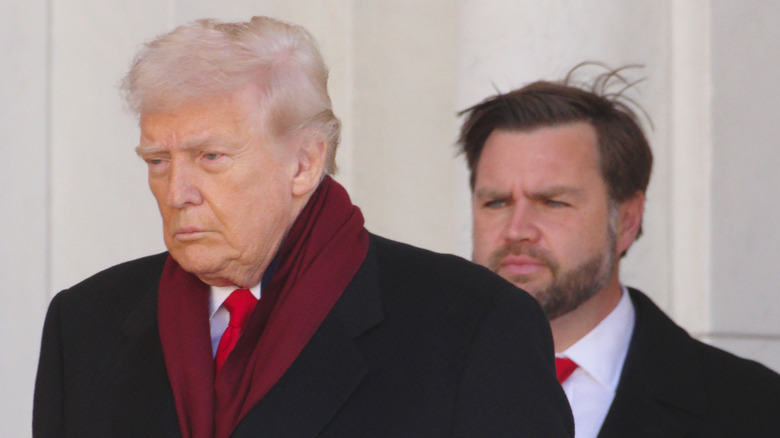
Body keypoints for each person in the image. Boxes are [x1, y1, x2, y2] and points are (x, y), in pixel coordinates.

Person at [33, 16, 573, 438]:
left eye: (212, 156)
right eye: (157, 160)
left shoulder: (473, 323)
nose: (177, 192)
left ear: (305, 163)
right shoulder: (84, 324)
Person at [458, 65, 780, 438]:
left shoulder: (755, 409)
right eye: (496, 202)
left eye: (552, 202)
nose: (516, 230)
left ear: (626, 220)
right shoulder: (404, 378)